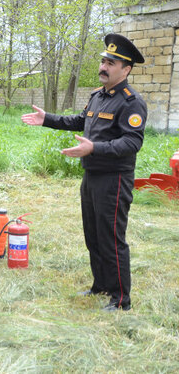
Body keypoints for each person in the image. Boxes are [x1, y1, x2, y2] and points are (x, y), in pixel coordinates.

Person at [22, 34, 147, 312]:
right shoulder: (98, 97)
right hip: (91, 177)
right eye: (103, 60)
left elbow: (132, 142)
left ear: (125, 70)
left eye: (111, 63)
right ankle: (100, 285)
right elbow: (80, 121)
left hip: (114, 179)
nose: (103, 66)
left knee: (112, 237)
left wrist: (94, 149)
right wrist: (47, 119)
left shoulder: (131, 102)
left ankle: (120, 298)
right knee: (93, 234)